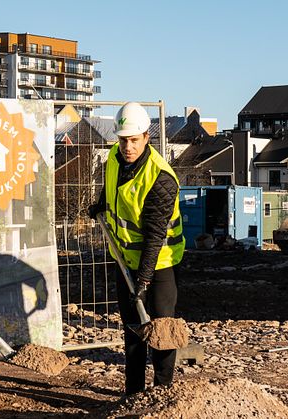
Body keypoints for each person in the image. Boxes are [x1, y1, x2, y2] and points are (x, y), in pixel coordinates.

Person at [88, 102, 185, 396]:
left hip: (160, 263)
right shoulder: (115, 160)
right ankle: (132, 395)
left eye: (133, 140)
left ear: (146, 137)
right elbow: (113, 188)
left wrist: (143, 280)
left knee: (160, 330)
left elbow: (155, 236)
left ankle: (161, 394)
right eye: (122, 140)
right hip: (126, 258)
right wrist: (101, 204)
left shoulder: (161, 178)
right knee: (132, 330)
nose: (127, 147)